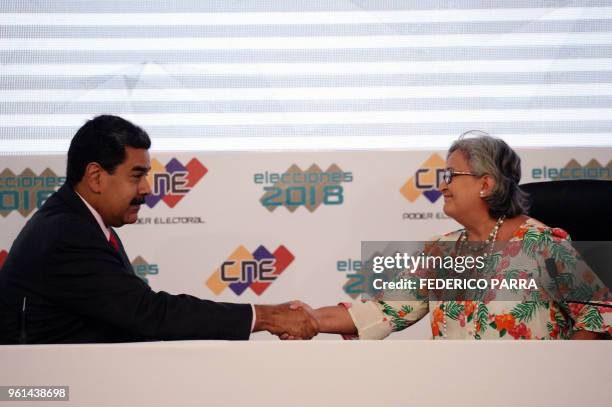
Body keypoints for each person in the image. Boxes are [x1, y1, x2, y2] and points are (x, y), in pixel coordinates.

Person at [0, 115, 318, 344]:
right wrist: (265, 316)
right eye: (136, 176)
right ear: (95, 177)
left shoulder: (82, 222)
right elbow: (149, 314)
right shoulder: (67, 233)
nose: (148, 189)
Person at [287, 131, 611, 340]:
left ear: (486, 184)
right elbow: (383, 311)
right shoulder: (441, 252)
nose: (442, 185)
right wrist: (313, 319)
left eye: (451, 175)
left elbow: (598, 318)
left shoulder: (544, 245)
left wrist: (559, 379)